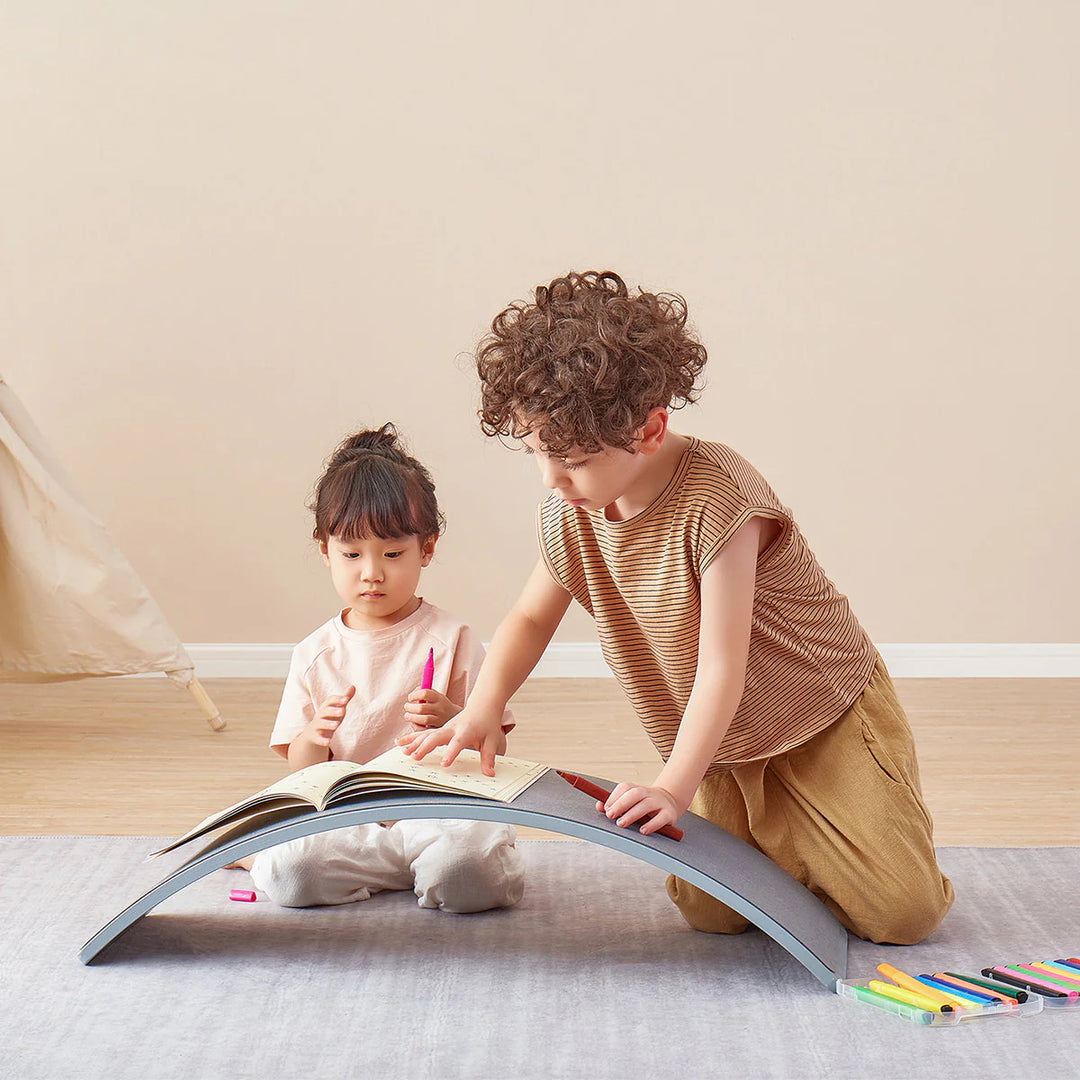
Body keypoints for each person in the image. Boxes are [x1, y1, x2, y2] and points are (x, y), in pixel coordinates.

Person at [400, 270, 953, 944]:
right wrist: (484, 706)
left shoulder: (721, 498)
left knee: (902, 914)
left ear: (650, 429)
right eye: (539, 453)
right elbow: (530, 618)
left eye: (571, 459)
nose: (552, 478)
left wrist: (672, 787)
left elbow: (723, 666)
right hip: (724, 744)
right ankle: (797, 845)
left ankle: (849, 836)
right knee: (710, 912)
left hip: (820, 715)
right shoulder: (574, 512)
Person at [245, 423, 524, 913]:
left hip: (439, 816)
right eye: (351, 554)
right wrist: (314, 735)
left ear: (427, 549)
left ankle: (437, 868)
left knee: (467, 876)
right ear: (323, 550)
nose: (371, 572)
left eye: (393, 554)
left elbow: (494, 748)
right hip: (350, 825)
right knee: (291, 877)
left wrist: (455, 717)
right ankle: (266, 860)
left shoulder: (452, 638)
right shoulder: (315, 654)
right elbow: (302, 770)